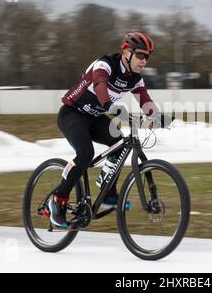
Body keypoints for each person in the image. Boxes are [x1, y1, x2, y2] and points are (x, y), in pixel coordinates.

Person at [48, 31, 170, 228]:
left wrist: (158, 117)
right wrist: (108, 105)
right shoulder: (105, 65)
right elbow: (100, 85)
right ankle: (58, 199)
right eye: (140, 55)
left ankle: (108, 192)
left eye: (147, 57)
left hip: (95, 117)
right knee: (86, 153)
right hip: (72, 114)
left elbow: (145, 100)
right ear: (126, 53)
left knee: (120, 144)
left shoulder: (135, 78)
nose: (144, 60)